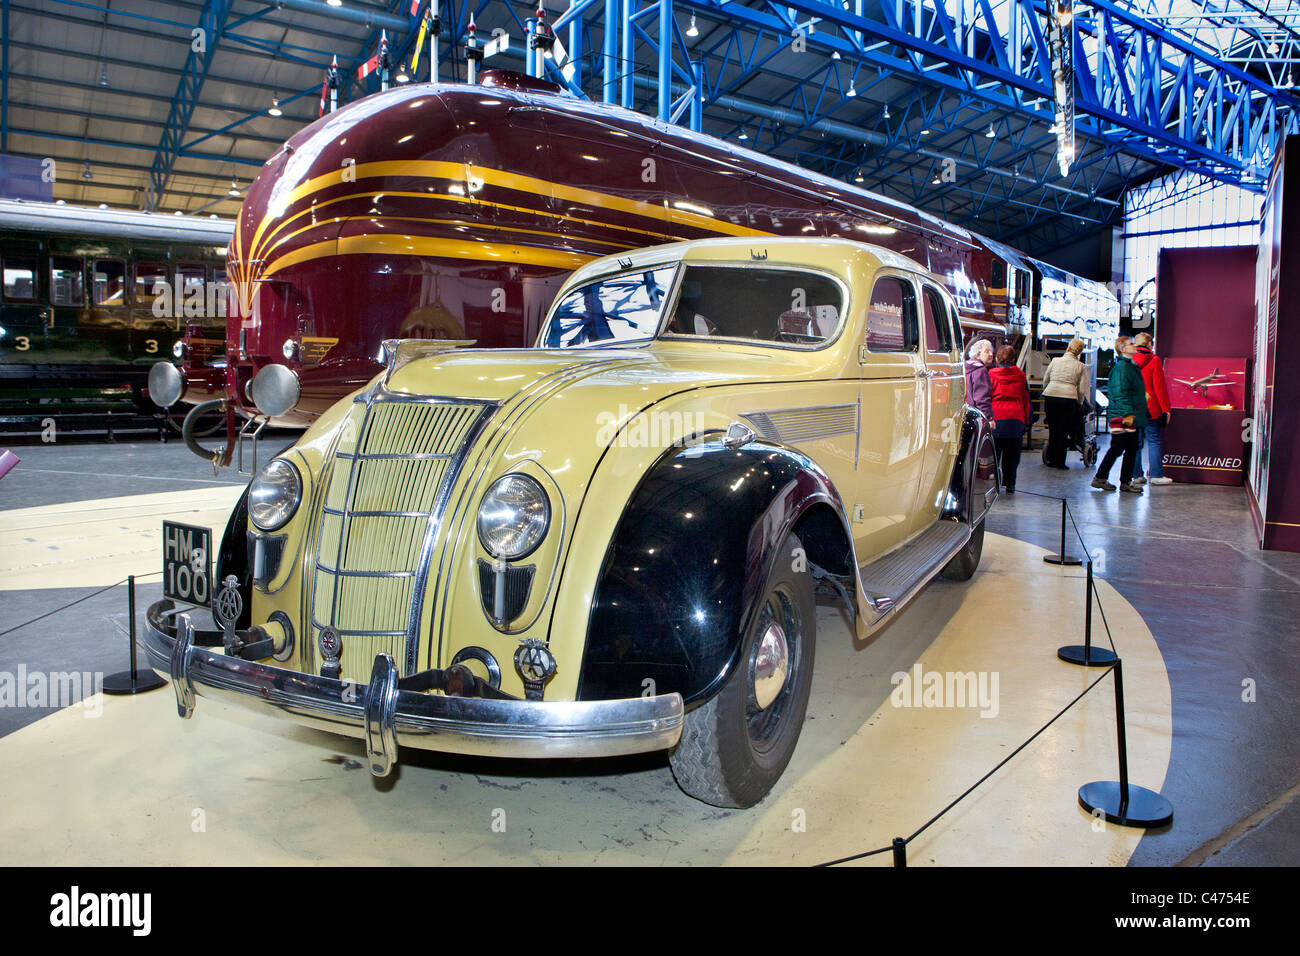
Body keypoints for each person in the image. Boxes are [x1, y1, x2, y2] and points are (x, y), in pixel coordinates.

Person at [1092, 336, 1149, 494]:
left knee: (1130, 448)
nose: (1134, 345)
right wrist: (1128, 413)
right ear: (1123, 349)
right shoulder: (1123, 368)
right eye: (1130, 344)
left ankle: (1123, 481)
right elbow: (1120, 392)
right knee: (1118, 448)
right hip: (1123, 416)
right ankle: (1101, 478)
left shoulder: (1129, 366)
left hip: (1129, 414)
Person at [1040, 338, 1090, 469]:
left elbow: (1046, 379)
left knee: (1053, 429)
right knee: (1063, 431)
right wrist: (1079, 402)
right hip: (1068, 398)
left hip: (1051, 397)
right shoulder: (1080, 366)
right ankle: (1059, 462)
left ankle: (1050, 458)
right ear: (1079, 353)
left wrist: (1046, 391)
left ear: (1068, 348)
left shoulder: (1055, 361)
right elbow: (1082, 389)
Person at [1130, 331, 1173, 485]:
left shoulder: (1129, 360)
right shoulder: (1154, 360)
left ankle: (1136, 476)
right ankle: (1155, 475)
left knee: (1135, 443)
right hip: (1151, 408)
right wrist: (1165, 409)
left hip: (1134, 408)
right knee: (1154, 441)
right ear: (1149, 344)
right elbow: (1159, 388)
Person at [989, 344, 1031, 494]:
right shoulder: (1020, 375)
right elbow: (1025, 398)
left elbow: (987, 396)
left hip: (997, 417)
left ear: (998, 357)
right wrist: (1027, 420)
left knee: (995, 453)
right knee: (1012, 456)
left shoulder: (991, 374)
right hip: (1016, 418)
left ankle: (994, 483)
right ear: (1013, 358)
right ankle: (1010, 484)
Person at [964, 339, 995, 422]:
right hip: (976, 417)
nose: (991, 354)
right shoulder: (981, 370)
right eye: (987, 352)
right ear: (977, 355)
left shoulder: (964, 368)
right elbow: (982, 398)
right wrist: (989, 418)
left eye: (991, 351)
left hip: (965, 414)